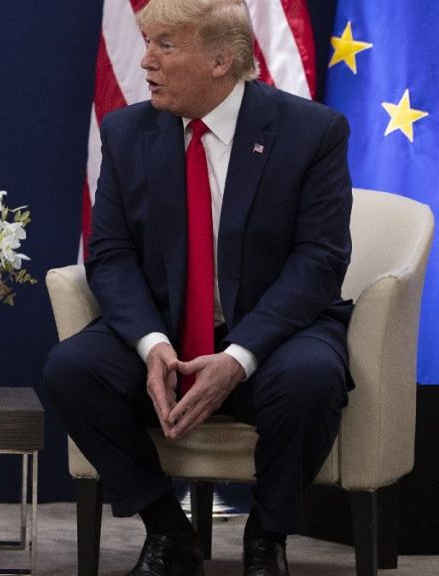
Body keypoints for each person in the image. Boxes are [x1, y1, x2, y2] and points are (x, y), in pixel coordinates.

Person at [44, 1, 353, 575]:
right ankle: (167, 531)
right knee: (72, 369)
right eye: (147, 44)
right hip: (167, 330)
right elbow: (111, 255)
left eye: (165, 46)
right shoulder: (128, 132)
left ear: (221, 60)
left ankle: (266, 539)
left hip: (272, 338)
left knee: (311, 379)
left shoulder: (311, 132)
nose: (146, 62)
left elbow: (319, 260)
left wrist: (239, 357)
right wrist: (152, 344)